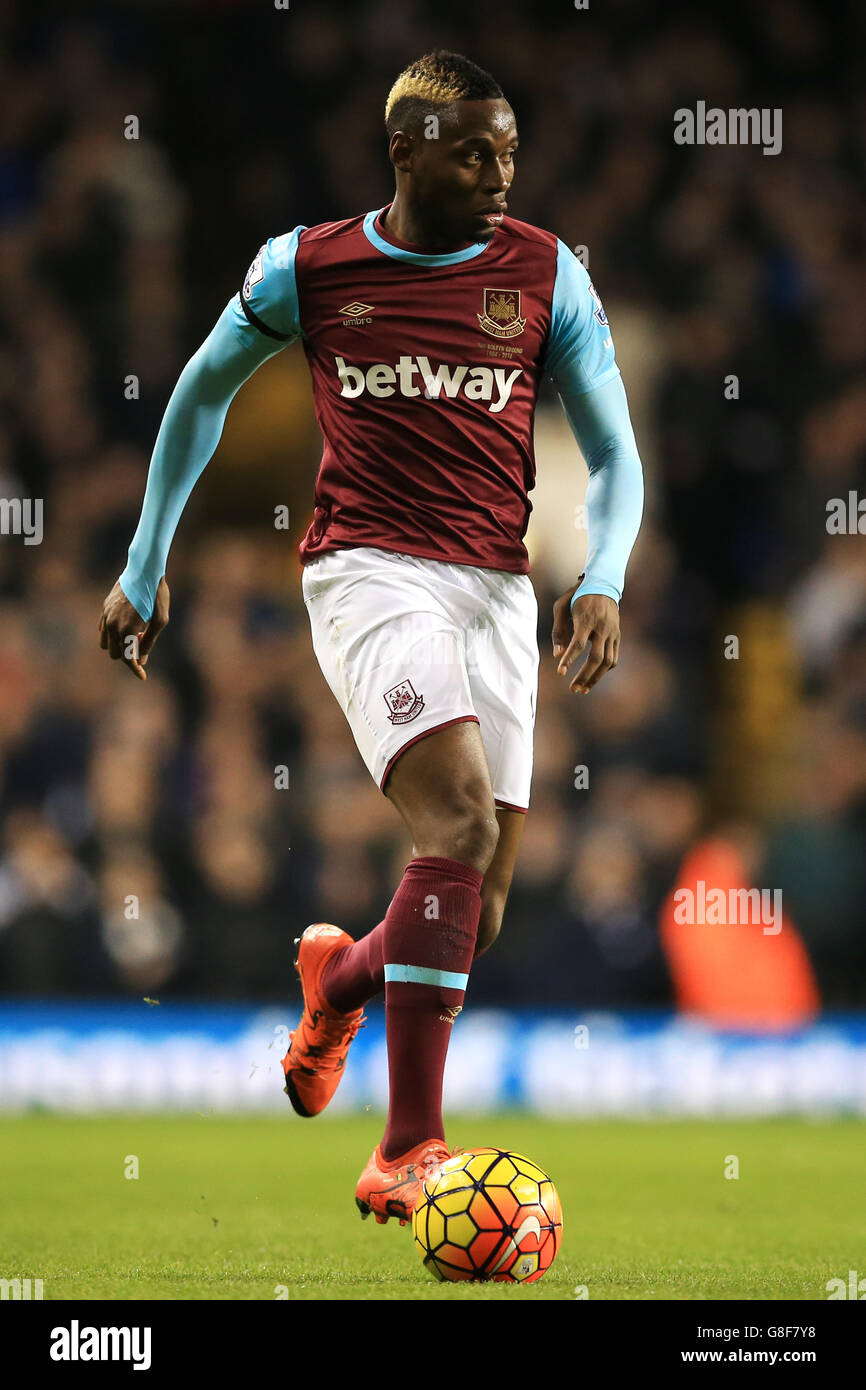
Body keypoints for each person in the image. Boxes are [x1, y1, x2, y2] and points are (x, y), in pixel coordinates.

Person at [98, 49, 644, 1226]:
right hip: (366, 572)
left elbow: (612, 452)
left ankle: (338, 979)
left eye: (509, 149)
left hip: (496, 589)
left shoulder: (546, 275)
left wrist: (599, 575)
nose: (501, 171)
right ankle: (407, 1147)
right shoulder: (307, 266)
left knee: (475, 908)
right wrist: (146, 565)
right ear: (404, 152)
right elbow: (199, 392)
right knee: (449, 820)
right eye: (473, 151)